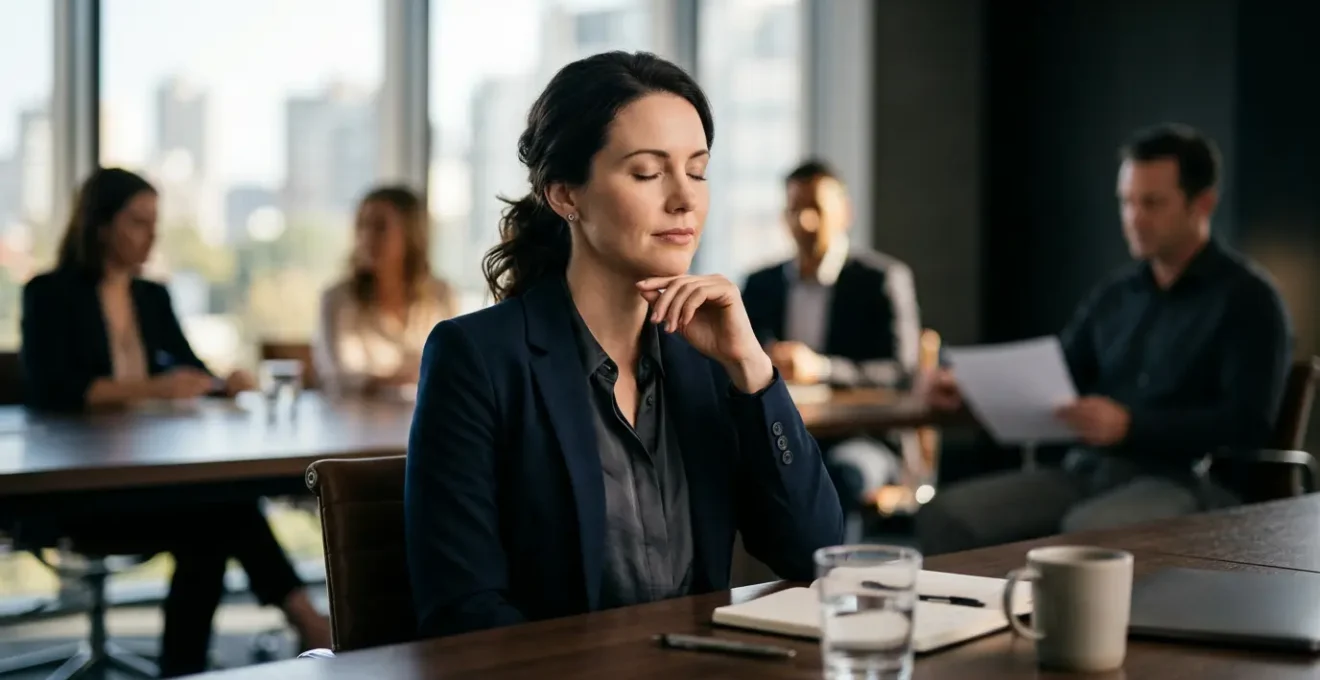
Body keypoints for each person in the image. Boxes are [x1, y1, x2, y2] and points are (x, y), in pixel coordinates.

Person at [404, 51, 844, 638]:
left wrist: (753, 371)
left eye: (698, 170)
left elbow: (814, 552)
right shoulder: (477, 358)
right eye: (646, 172)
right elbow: (464, 612)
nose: (684, 199)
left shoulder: (710, 359)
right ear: (565, 195)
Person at [915, 124, 1292, 555]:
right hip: (1090, 472)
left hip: (1191, 482)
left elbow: (1248, 423)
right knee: (948, 515)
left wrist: (1132, 426)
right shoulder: (1117, 295)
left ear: (1202, 204)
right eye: (1127, 202)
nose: (1134, 217)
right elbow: (1058, 376)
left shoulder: (1249, 300)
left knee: (1086, 531)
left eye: (1152, 203)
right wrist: (965, 390)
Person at [20, 167, 330, 675]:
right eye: (138, 221)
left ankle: (196, 663)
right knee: (221, 512)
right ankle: (297, 621)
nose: (151, 236)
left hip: (151, 479)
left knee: (215, 515)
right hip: (77, 490)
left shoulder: (151, 297)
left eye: (154, 222)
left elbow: (189, 370)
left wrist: (223, 382)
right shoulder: (47, 293)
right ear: (101, 224)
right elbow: (56, 390)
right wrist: (154, 389)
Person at [742, 160, 922, 511]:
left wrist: (821, 368)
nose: (804, 222)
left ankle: (830, 567)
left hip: (864, 437)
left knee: (835, 475)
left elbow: (902, 371)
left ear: (845, 214)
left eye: (816, 209)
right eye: (795, 210)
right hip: (780, 431)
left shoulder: (881, 279)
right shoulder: (760, 284)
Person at [314, 185, 457, 397]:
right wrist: (403, 379)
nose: (366, 237)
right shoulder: (337, 299)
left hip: (423, 421)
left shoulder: (440, 295)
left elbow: (451, 367)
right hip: (353, 422)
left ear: (410, 234)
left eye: (380, 227)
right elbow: (336, 376)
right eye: (361, 226)